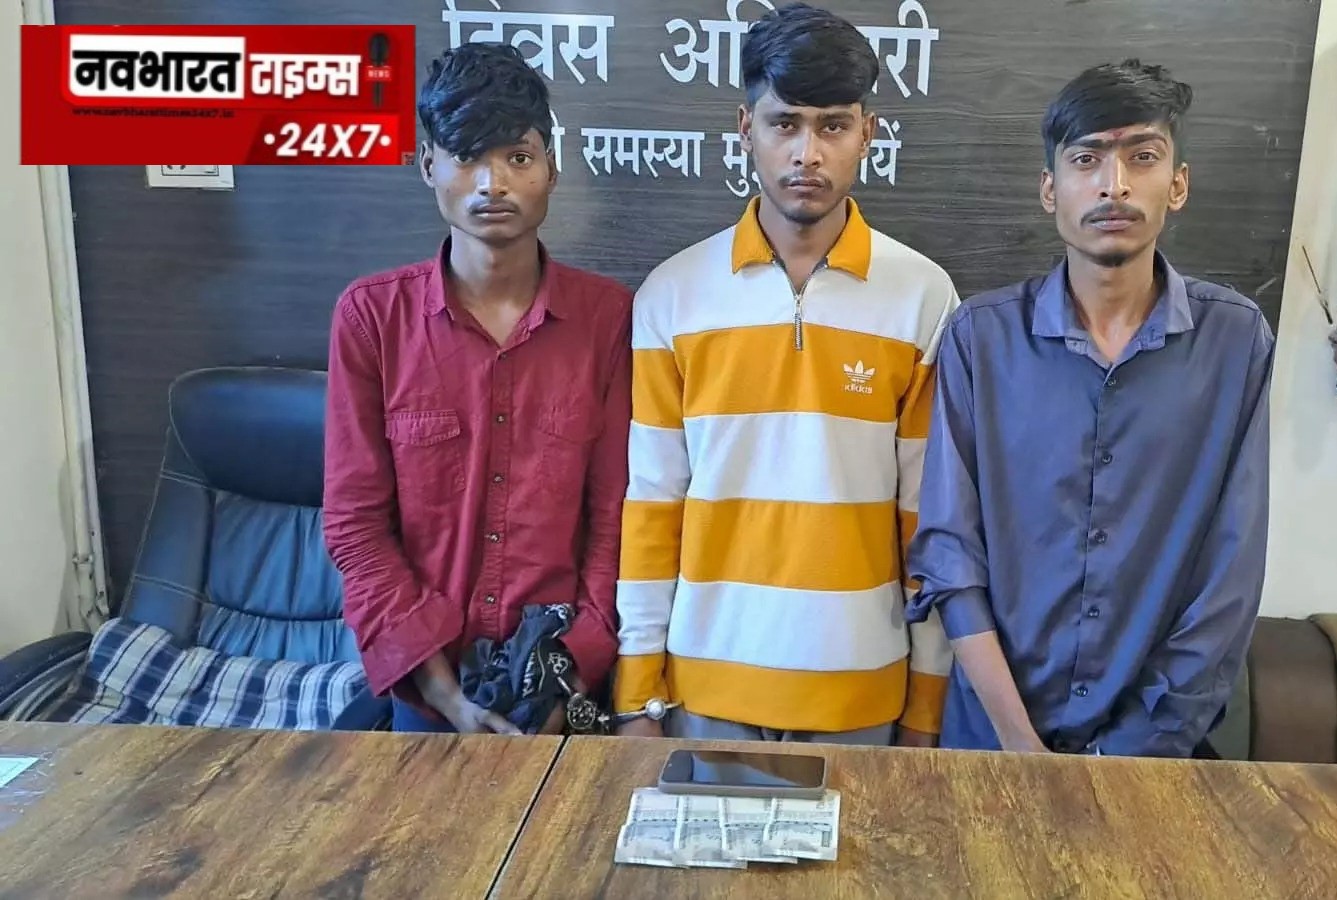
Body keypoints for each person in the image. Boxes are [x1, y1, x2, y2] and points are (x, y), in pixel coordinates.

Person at [612, 2, 958, 746]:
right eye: (785, 123)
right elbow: (653, 505)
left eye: (833, 126)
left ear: (868, 133)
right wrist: (638, 693)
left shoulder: (924, 296)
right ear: (746, 129)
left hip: (863, 695)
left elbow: (928, 518)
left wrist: (927, 704)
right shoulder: (672, 295)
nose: (808, 153)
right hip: (704, 692)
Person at [907, 60, 1273, 758]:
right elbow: (951, 556)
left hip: (1158, 751)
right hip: (991, 741)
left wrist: (1126, 755)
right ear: (1050, 188)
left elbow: (1229, 575)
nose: (1115, 184)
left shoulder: (1233, 341)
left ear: (1179, 184)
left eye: (1143, 157)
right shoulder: (981, 339)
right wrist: (1019, 745)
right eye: (1086, 159)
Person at [323, 43, 631, 734]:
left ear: (552, 169)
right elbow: (355, 523)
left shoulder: (608, 319)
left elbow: (614, 518)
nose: (493, 183)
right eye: (466, 157)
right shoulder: (372, 319)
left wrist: (570, 677)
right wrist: (445, 695)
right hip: (428, 688)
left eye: (518, 157)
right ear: (427, 164)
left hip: (565, 683)